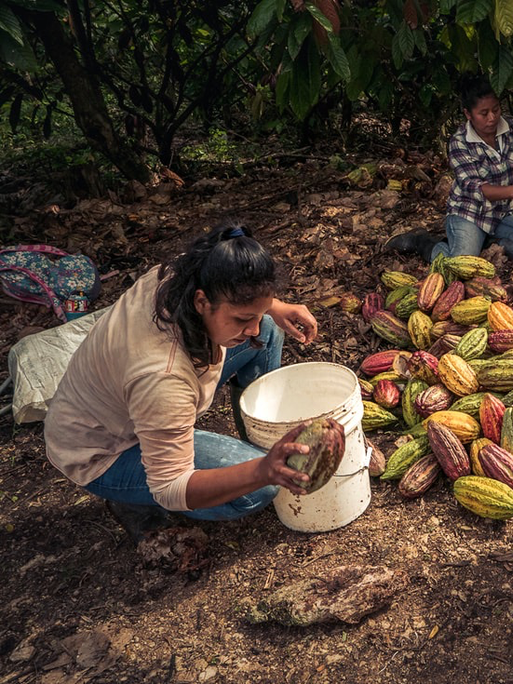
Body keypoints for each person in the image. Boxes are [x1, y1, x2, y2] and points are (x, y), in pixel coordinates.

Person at [44, 222, 323, 542]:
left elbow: (238, 300)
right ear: (202, 302)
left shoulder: (187, 273)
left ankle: (259, 449)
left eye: (254, 314)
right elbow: (170, 488)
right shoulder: (162, 376)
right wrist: (262, 473)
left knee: (271, 331)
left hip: (130, 401)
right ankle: (130, 499)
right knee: (259, 491)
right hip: (103, 449)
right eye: (243, 318)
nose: (253, 328)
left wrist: (274, 308)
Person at [386, 75, 513, 262]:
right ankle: (423, 242)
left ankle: (487, 242)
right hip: (469, 213)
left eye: (496, 109)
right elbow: (476, 188)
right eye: (484, 113)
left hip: (503, 212)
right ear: (468, 114)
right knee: (461, 260)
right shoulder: (460, 142)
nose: (492, 118)